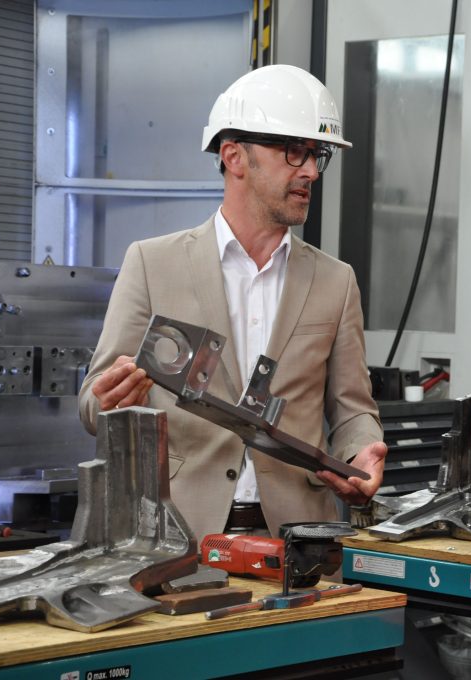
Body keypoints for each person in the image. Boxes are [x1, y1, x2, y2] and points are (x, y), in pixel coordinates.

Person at [78, 65, 387, 541]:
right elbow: (94, 400)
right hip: (174, 536)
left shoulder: (335, 281)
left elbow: (352, 410)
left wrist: (361, 450)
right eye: (294, 152)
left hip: (298, 539)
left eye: (316, 156)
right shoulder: (151, 263)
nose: (309, 171)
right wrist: (105, 400)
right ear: (234, 156)